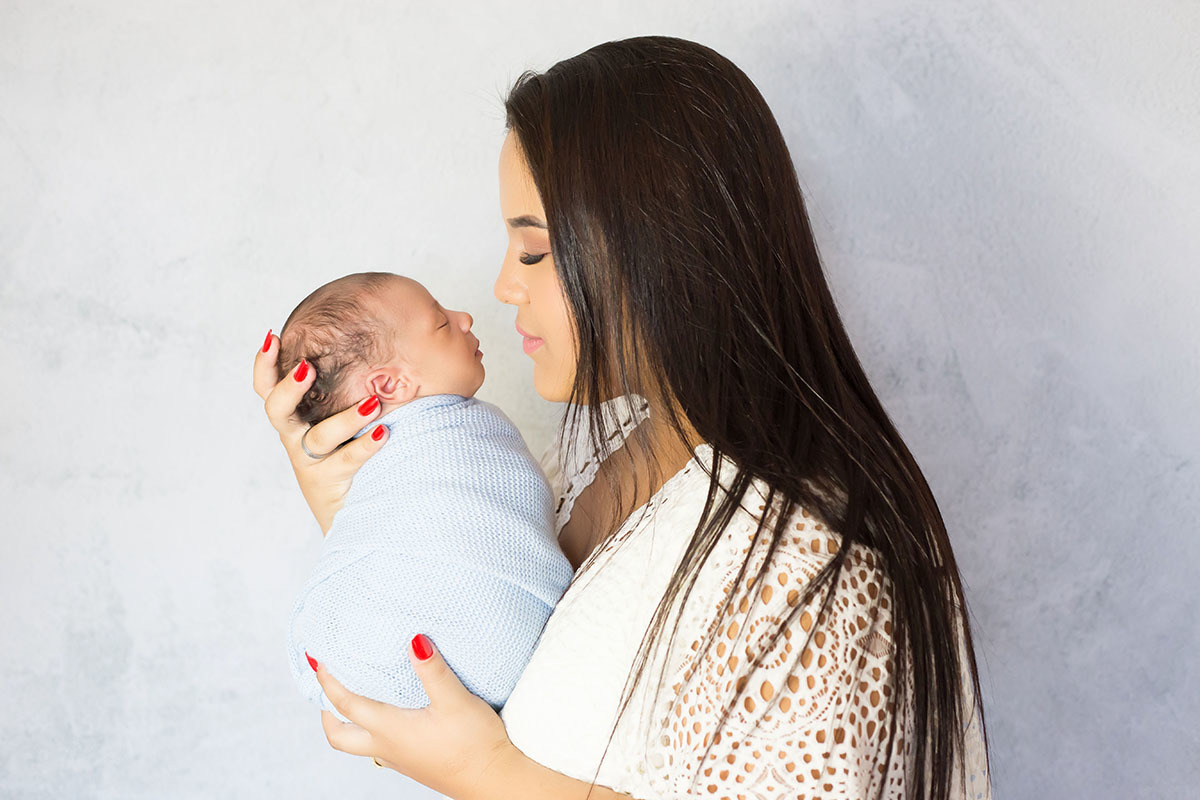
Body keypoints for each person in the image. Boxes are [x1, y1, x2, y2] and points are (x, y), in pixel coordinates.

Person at [252, 35, 991, 800]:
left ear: (656, 252)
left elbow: (493, 751)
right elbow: (464, 667)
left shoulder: (808, 571)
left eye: (533, 253)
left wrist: (490, 778)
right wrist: (353, 503)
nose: (504, 287)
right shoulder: (611, 449)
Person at [274, 271, 574, 719]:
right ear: (390, 385)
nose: (466, 317)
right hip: (449, 644)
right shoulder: (403, 454)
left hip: (469, 644)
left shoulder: (459, 435)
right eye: (441, 323)